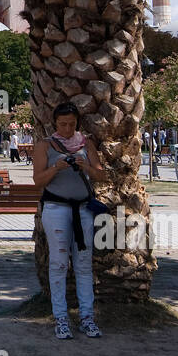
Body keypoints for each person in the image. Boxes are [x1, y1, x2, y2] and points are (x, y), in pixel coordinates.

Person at [33, 102, 106, 340]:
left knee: (84, 264)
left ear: (77, 124)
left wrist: (88, 167)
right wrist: (55, 168)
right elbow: (38, 180)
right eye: (62, 124)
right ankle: (61, 318)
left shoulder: (86, 145)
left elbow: (100, 174)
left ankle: (87, 317)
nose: (67, 129)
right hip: (56, 208)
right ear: (55, 123)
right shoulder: (45, 146)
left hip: (82, 209)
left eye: (71, 124)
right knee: (59, 263)